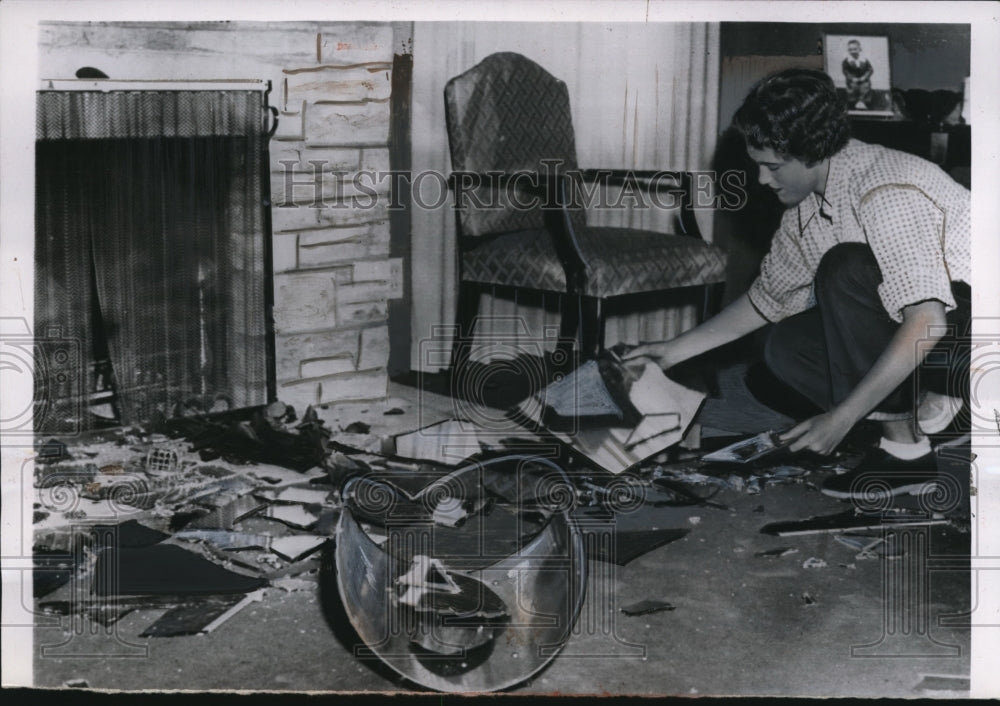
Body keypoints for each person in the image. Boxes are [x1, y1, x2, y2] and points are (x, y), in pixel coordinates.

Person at [624, 69, 970, 501]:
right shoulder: (807, 209)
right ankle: (918, 430)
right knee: (785, 347)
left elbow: (927, 323)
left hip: (978, 335)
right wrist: (672, 350)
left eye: (772, 166)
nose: (762, 180)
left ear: (812, 152)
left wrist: (842, 417)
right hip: (939, 335)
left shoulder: (885, 189)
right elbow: (767, 301)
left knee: (844, 267)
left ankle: (918, 440)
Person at [842, 39, 874, 110]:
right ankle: (853, 102)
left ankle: (863, 102)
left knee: (865, 86)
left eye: (855, 49)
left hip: (863, 79)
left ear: (860, 49)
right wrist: (852, 78)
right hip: (852, 80)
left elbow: (870, 69)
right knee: (853, 88)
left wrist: (865, 77)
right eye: (850, 50)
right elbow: (845, 71)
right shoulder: (846, 61)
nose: (853, 51)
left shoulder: (864, 60)